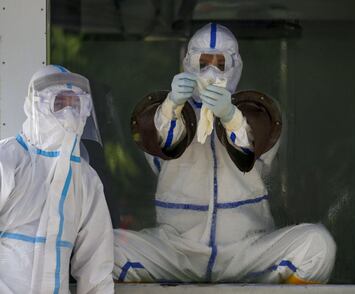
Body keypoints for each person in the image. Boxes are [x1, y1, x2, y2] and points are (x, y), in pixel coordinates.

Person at [113, 23, 336, 284]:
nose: (210, 70)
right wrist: (172, 105)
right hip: (176, 250)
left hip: (246, 249)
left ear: (235, 65)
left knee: (317, 246)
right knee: (105, 249)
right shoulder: (162, 113)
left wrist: (230, 116)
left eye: (220, 63)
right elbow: (165, 144)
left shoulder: (259, 114)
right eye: (203, 61)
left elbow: (249, 149)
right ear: (188, 63)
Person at [0, 65, 114, 293]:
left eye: (75, 104)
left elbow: (96, 266)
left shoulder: (85, 178)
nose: (69, 113)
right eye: (59, 103)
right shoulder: (8, 159)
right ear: (36, 105)